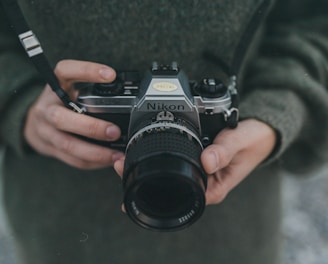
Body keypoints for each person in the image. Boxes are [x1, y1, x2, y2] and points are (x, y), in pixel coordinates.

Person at [0, 0, 327, 263]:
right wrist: (23, 105)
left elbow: (315, 22)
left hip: (232, 235)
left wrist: (275, 110)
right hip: (62, 230)